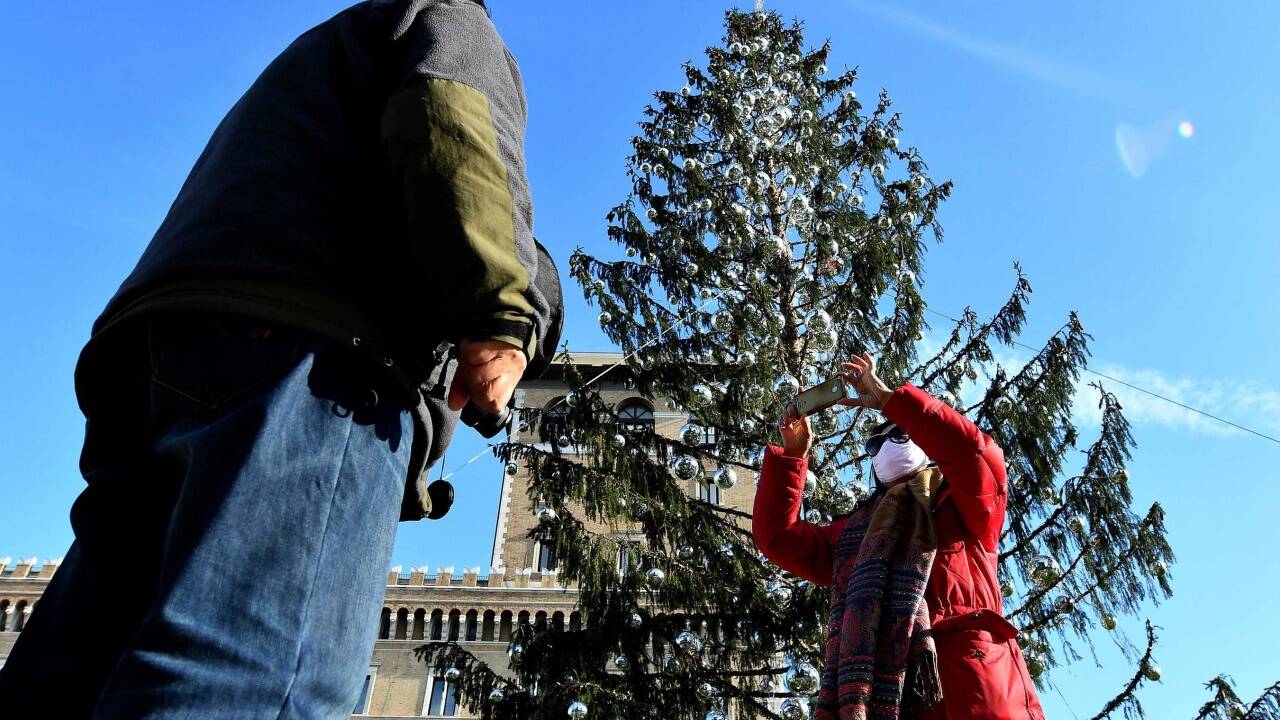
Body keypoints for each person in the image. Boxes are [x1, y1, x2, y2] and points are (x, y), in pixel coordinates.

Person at [0, 0, 563, 716]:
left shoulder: (318, 59)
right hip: (314, 374)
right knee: (260, 675)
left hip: (158, 370)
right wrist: (503, 316)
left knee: (77, 670)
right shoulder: (449, 20)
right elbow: (454, 130)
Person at [753, 352, 1046, 719]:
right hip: (891, 701)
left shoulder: (960, 503)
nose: (888, 444)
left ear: (923, 445)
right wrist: (793, 457)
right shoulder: (856, 534)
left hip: (972, 691)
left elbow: (976, 455)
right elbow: (778, 538)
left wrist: (891, 401)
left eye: (899, 433)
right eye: (875, 445)